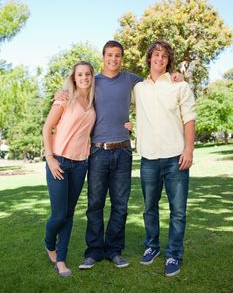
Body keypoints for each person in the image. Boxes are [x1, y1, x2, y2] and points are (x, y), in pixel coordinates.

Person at [55, 40, 182, 270]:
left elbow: (155, 81)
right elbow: (74, 89)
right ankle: (93, 252)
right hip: (97, 152)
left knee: (120, 205)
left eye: (117, 56)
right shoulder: (93, 81)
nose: (113, 59)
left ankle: (114, 250)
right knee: (95, 204)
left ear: (121, 58)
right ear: (103, 57)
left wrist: (177, 76)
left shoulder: (131, 80)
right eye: (109, 55)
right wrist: (61, 93)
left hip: (123, 151)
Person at [133, 40, 196, 277]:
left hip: (175, 157)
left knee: (177, 211)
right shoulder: (138, 88)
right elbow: (114, 96)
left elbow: (189, 119)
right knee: (150, 208)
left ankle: (174, 254)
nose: (159, 59)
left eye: (164, 56)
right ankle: (152, 247)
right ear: (149, 58)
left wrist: (188, 149)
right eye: (155, 55)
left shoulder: (180, 86)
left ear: (169, 60)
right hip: (148, 157)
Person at [43, 61, 96, 276]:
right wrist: (50, 159)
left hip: (81, 164)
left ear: (92, 77)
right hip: (59, 162)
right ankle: (49, 243)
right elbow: (47, 128)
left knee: (69, 213)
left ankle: (61, 259)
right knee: (59, 215)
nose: (84, 77)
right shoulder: (64, 99)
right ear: (74, 78)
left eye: (87, 74)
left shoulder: (93, 101)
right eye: (80, 74)